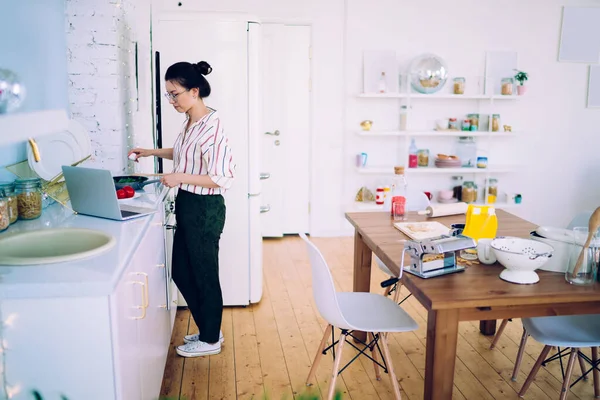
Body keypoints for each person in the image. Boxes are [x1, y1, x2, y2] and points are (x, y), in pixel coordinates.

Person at [129, 60, 234, 357]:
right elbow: (183, 153)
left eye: (175, 94)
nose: (172, 100)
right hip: (189, 204)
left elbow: (221, 177)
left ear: (194, 91)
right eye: (169, 94)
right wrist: (151, 151)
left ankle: (211, 339)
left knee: (204, 274)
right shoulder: (190, 121)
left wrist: (179, 177)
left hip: (205, 208)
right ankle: (209, 329)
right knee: (182, 272)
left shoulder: (213, 127)